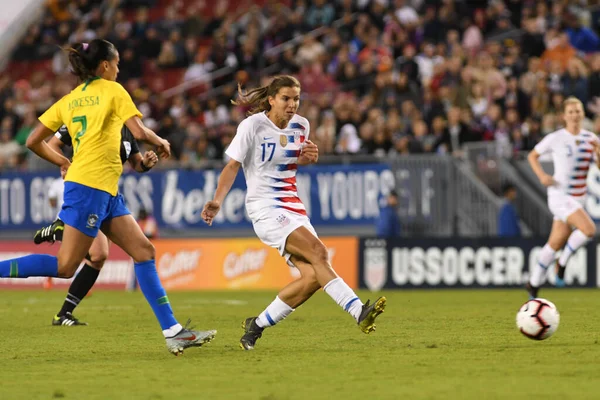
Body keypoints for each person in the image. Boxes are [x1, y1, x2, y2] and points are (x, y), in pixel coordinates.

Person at [0, 39, 215, 355]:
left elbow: (33, 141)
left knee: (143, 250)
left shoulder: (70, 100)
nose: (118, 68)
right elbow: (140, 132)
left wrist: (62, 161)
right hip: (90, 188)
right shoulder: (114, 90)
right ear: (104, 65)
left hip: (104, 189)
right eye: (115, 63)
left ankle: (174, 331)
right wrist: (162, 141)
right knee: (65, 266)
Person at [201, 75, 386, 350]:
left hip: (293, 207)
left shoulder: (302, 126)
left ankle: (257, 325)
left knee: (312, 277)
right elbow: (232, 166)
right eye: (286, 98)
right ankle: (358, 311)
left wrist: (307, 158)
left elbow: (288, 160)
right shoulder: (252, 126)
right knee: (320, 253)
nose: (292, 105)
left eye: (296, 99)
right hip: (264, 207)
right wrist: (217, 200)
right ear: (272, 99)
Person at [33, 124, 160, 326]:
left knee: (98, 256)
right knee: (68, 266)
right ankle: (61, 229)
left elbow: (137, 164)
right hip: (86, 191)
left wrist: (145, 163)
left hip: (108, 196)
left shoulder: (128, 129)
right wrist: (64, 163)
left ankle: (64, 313)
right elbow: (52, 144)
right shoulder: (89, 114)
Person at [526, 97, 598, 299]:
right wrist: (542, 176)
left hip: (579, 198)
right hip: (560, 196)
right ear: (564, 116)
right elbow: (532, 156)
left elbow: (599, 167)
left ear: (583, 114)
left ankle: (533, 282)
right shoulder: (556, 137)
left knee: (555, 242)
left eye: (578, 111)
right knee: (589, 229)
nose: (575, 115)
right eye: (571, 112)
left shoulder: (591, 138)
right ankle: (562, 263)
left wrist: (599, 153)